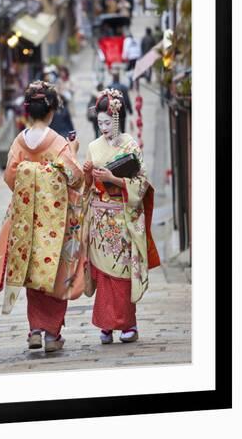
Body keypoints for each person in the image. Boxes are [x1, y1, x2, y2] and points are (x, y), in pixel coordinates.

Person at [0, 81, 84, 353]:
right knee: (54, 271)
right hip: (56, 220)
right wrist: (72, 153)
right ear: (51, 110)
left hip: (26, 219)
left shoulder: (19, 141)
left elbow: (10, 177)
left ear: (28, 111)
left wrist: (30, 186)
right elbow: (75, 178)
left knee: (31, 270)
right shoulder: (59, 142)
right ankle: (52, 334)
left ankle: (35, 330)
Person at [82, 89, 160, 345]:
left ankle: (128, 323)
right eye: (99, 123)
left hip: (123, 216)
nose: (103, 127)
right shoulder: (93, 147)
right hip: (100, 218)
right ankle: (105, 326)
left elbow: (141, 182)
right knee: (104, 275)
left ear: (117, 118)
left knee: (122, 273)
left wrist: (113, 179)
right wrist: (87, 174)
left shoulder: (130, 145)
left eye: (107, 122)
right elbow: (86, 186)